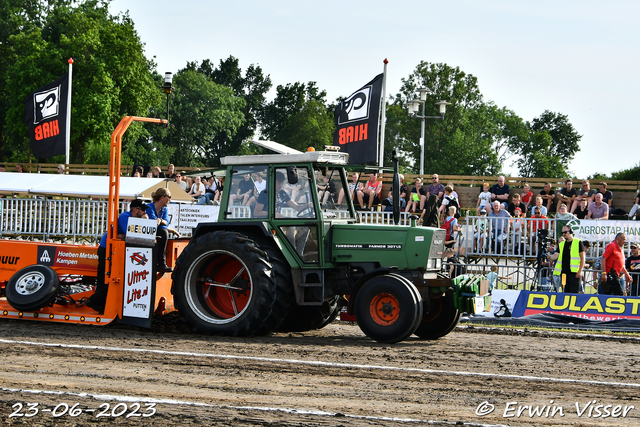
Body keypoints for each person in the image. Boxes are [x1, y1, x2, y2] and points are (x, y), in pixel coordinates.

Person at [85, 199, 151, 313]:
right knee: (107, 276)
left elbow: (129, 234)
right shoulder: (125, 216)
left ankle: (98, 302)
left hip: (112, 248)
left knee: (106, 276)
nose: (145, 212)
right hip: (107, 248)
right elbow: (131, 233)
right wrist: (141, 223)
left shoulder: (132, 217)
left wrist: (124, 236)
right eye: (143, 210)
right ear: (135, 210)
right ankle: (95, 301)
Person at [146, 187, 176, 272]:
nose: (170, 199)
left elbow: (165, 223)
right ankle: (154, 262)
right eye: (169, 197)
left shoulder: (165, 209)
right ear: (162, 198)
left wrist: (160, 220)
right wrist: (159, 222)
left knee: (163, 232)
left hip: (157, 230)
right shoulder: (149, 207)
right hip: (146, 231)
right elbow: (152, 223)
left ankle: (161, 263)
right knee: (162, 232)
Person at [553, 226, 586, 294]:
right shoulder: (561, 244)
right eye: (562, 233)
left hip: (574, 273)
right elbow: (555, 255)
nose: (564, 234)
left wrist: (580, 271)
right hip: (564, 274)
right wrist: (549, 256)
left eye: (565, 232)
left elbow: (582, 257)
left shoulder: (578, 242)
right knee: (565, 293)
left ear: (570, 232)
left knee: (574, 294)